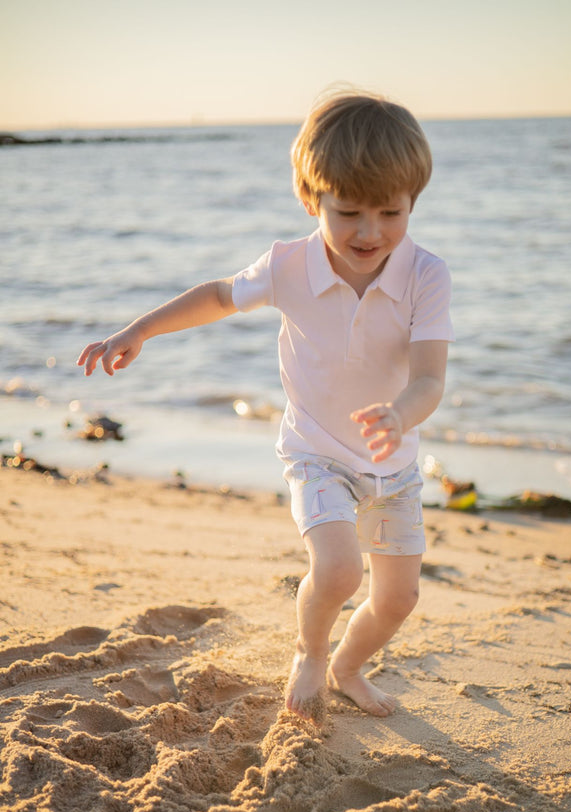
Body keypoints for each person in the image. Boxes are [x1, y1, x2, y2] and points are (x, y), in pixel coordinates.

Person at [77, 90, 454, 724]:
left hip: (394, 466)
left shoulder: (425, 275)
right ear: (313, 199)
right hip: (317, 454)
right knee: (337, 572)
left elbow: (430, 379)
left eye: (391, 212)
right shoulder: (289, 264)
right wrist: (139, 330)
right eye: (349, 211)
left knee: (399, 599)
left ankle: (347, 666)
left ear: (414, 200)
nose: (370, 232)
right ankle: (311, 652)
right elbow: (220, 296)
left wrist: (400, 414)